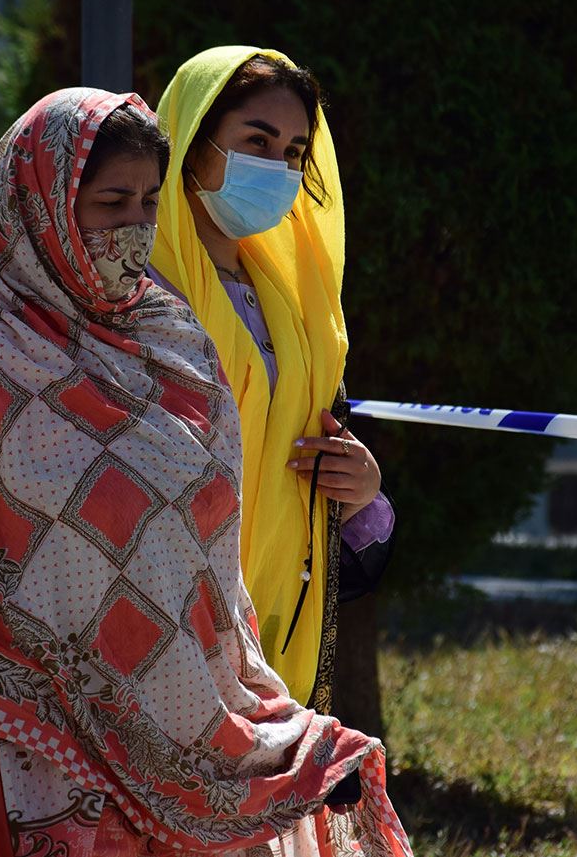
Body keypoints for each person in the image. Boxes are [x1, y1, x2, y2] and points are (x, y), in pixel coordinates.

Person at [0, 87, 412, 857]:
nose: (133, 229)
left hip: (176, 738)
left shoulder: (174, 349)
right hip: (19, 756)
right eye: (109, 202)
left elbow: (209, 573)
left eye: (146, 203)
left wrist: (254, 712)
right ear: (39, 202)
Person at [148, 47, 395, 713]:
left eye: (292, 151)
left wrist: (363, 493)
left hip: (274, 633)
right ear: (191, 144)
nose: (278, 166)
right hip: (157, 625)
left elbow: (314, 454)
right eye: (256, 140)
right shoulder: (136, 294)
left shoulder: (296, 309)